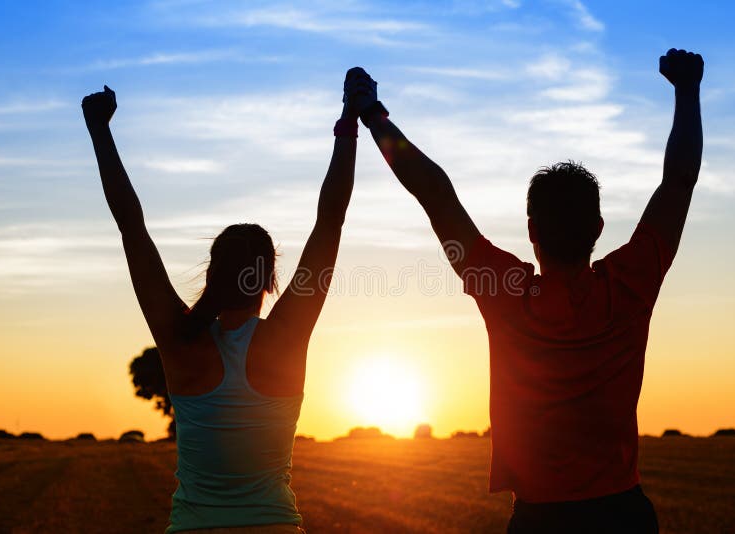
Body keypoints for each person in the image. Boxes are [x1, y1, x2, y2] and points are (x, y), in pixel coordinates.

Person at [347, 47, 703, 533]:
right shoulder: (629, 285)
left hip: (540, 520)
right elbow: (679, 182)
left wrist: (372, 114)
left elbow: (434, 193)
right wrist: (687, 90)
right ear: (598, 228)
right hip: (623, 514)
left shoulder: (506, 294)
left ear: (532, 230)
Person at [82, 72, 363, 532]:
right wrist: (350, 119)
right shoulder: (284, 340)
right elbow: (331, 219)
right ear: (269, 280)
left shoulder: (180, 341)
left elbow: (131, 226)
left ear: (211, 275)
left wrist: (100, 131)